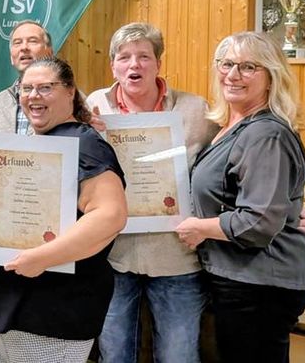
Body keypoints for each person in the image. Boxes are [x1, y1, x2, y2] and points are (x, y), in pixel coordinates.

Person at [0, 57, 128, 363]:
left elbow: (110, 216)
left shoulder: (85, 144)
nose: (33, 96)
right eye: (26, 89)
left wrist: (42, 258)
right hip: (20, 309)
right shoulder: (39, 143)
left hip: (51, 311)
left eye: (45, 88)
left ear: (70, 91)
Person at [175, 31, 305, 362]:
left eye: (249, 67)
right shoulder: (232, 126)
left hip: (261, 284)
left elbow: (259, 222)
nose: (233, 74)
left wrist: (200, 228)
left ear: (271, 77)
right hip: (243, 280)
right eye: (226, 64)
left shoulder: (266, 134)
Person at [85, 23, 217, 363]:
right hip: (113, 256)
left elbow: (225, 164)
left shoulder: (195, 110)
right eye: (124, 57)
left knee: (179, 356)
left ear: (158, 63)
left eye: (144, 56)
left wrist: (290, 208)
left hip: (176, 257)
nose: (134, 65)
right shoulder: (94, 106)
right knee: (114, 354)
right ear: (113, 65)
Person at [0, 20, 53, 135]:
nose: (24, 47)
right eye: (17, 43)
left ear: (50, 53)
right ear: (11, 57)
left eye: (32, 41)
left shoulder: (68, 99)